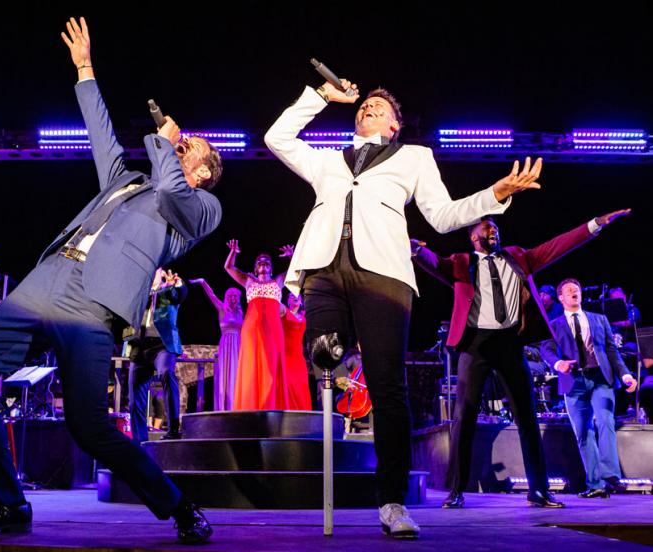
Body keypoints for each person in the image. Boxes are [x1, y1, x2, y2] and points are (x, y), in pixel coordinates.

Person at [0, 17, 221, 544]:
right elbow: (101, 134)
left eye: (193, 151)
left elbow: (172, 193)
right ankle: (6, 503)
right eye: (182, 146)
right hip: (45, 281)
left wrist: (167, 148)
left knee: (89, 427)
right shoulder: (126, 181)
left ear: (203, 172)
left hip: (96, 304)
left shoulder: (201, 206)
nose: (183, 149)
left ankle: (178, 505)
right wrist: (86, 70)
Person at [265, 73, 542, 538]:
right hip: (323, 269)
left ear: (395, 125)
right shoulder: (328, 161)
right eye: (363, 106)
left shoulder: (415, 157)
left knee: (387, 386)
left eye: (379, 107)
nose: (368, 108)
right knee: (324, 348)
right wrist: (320, 97)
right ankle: (329, 353)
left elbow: (442, 214)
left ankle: (391, 502)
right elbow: (276, 137)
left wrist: (495, 196)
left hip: (384, 277)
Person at [412, 209, 629, 510]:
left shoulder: (517, 257)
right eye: (487, 228)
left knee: (527, 417)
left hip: (510, 343)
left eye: (496, 228)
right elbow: (434, 262)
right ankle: (456, 490)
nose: (494, 232)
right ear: (473, 235)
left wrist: (594, 225)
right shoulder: (462, 263)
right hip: (476, 345)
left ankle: (538, 491)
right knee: (464, 417)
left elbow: (557, 246)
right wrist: (415, 250)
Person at [541, 278, 637, 497]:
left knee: (605, 421)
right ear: (561, 298)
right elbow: (546, 350)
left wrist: (625, 375)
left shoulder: (599, 319)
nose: (575, 292)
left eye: (577, 289)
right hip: (573, 383)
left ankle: (610, 475)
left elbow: (612, 351)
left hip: (600, 379)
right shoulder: (554, 325)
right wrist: (559, 363)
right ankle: (595, 485)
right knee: (584, 433)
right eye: (569, 290)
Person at [225, 239, 294, 410]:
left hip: (273, 328)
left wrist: (291, 255)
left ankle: (271, 404)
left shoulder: (278, 281)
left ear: (271, 267)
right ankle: (250, 405)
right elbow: (228, 267)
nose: (263, 264)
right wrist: (233, 251)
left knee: (271, 363)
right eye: (260, 262)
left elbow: (295, 271)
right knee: (252, 364)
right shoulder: (249, 280)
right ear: (256, 268)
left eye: (267, 262)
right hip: (252, 329)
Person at [128, 268, 186, 442]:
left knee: (166, 373)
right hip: (140, 347)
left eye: (155, 269)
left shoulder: (168, 290)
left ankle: (173, 430)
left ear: (160, 273)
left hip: (163, 345)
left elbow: (180, 295)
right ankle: (139, 439)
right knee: (134, 395)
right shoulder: (139, 293)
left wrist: (177, 284)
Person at [189, 278, 243, 411]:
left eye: (235, 296)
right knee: (226, 375)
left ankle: (237, 405)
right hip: (226, 345)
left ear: (238, 298)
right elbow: (211, 295)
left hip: (238, 345)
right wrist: (203, 282)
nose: (232, 298)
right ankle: (226, 406)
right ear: (226, 297)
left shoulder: (240, 313)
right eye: (230, 296)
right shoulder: (222, 308)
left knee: (237, 374)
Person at [282, 293, 311, 409]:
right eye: (291, 296)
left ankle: (302, 410)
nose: (295, 298)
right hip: (286, 355)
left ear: (301, 302)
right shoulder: (284, 312)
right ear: (288, 301)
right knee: (288, 382)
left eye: (298, 297)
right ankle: (288, 408)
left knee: (300, 383)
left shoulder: (303, 316)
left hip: (298, 356)